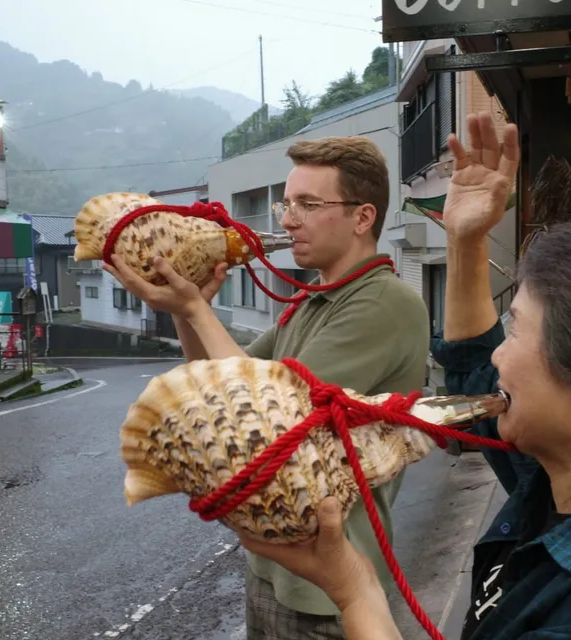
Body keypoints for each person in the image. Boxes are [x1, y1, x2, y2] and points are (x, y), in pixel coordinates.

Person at [238, 112, 571, 640]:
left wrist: (353, 587)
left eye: (515, 331)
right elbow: (473, 360)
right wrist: (465, 240)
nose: (498, 356)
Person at [103, 135, 430, 639]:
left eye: (308, 204)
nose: (287, 219)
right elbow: (218, 389)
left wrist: (194, 308)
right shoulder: (312, 300)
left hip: (334, 591)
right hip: (276, 566)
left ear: (363, 218)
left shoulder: (385, 303)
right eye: (287, 202)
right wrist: (187, 312)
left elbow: (267, 415)